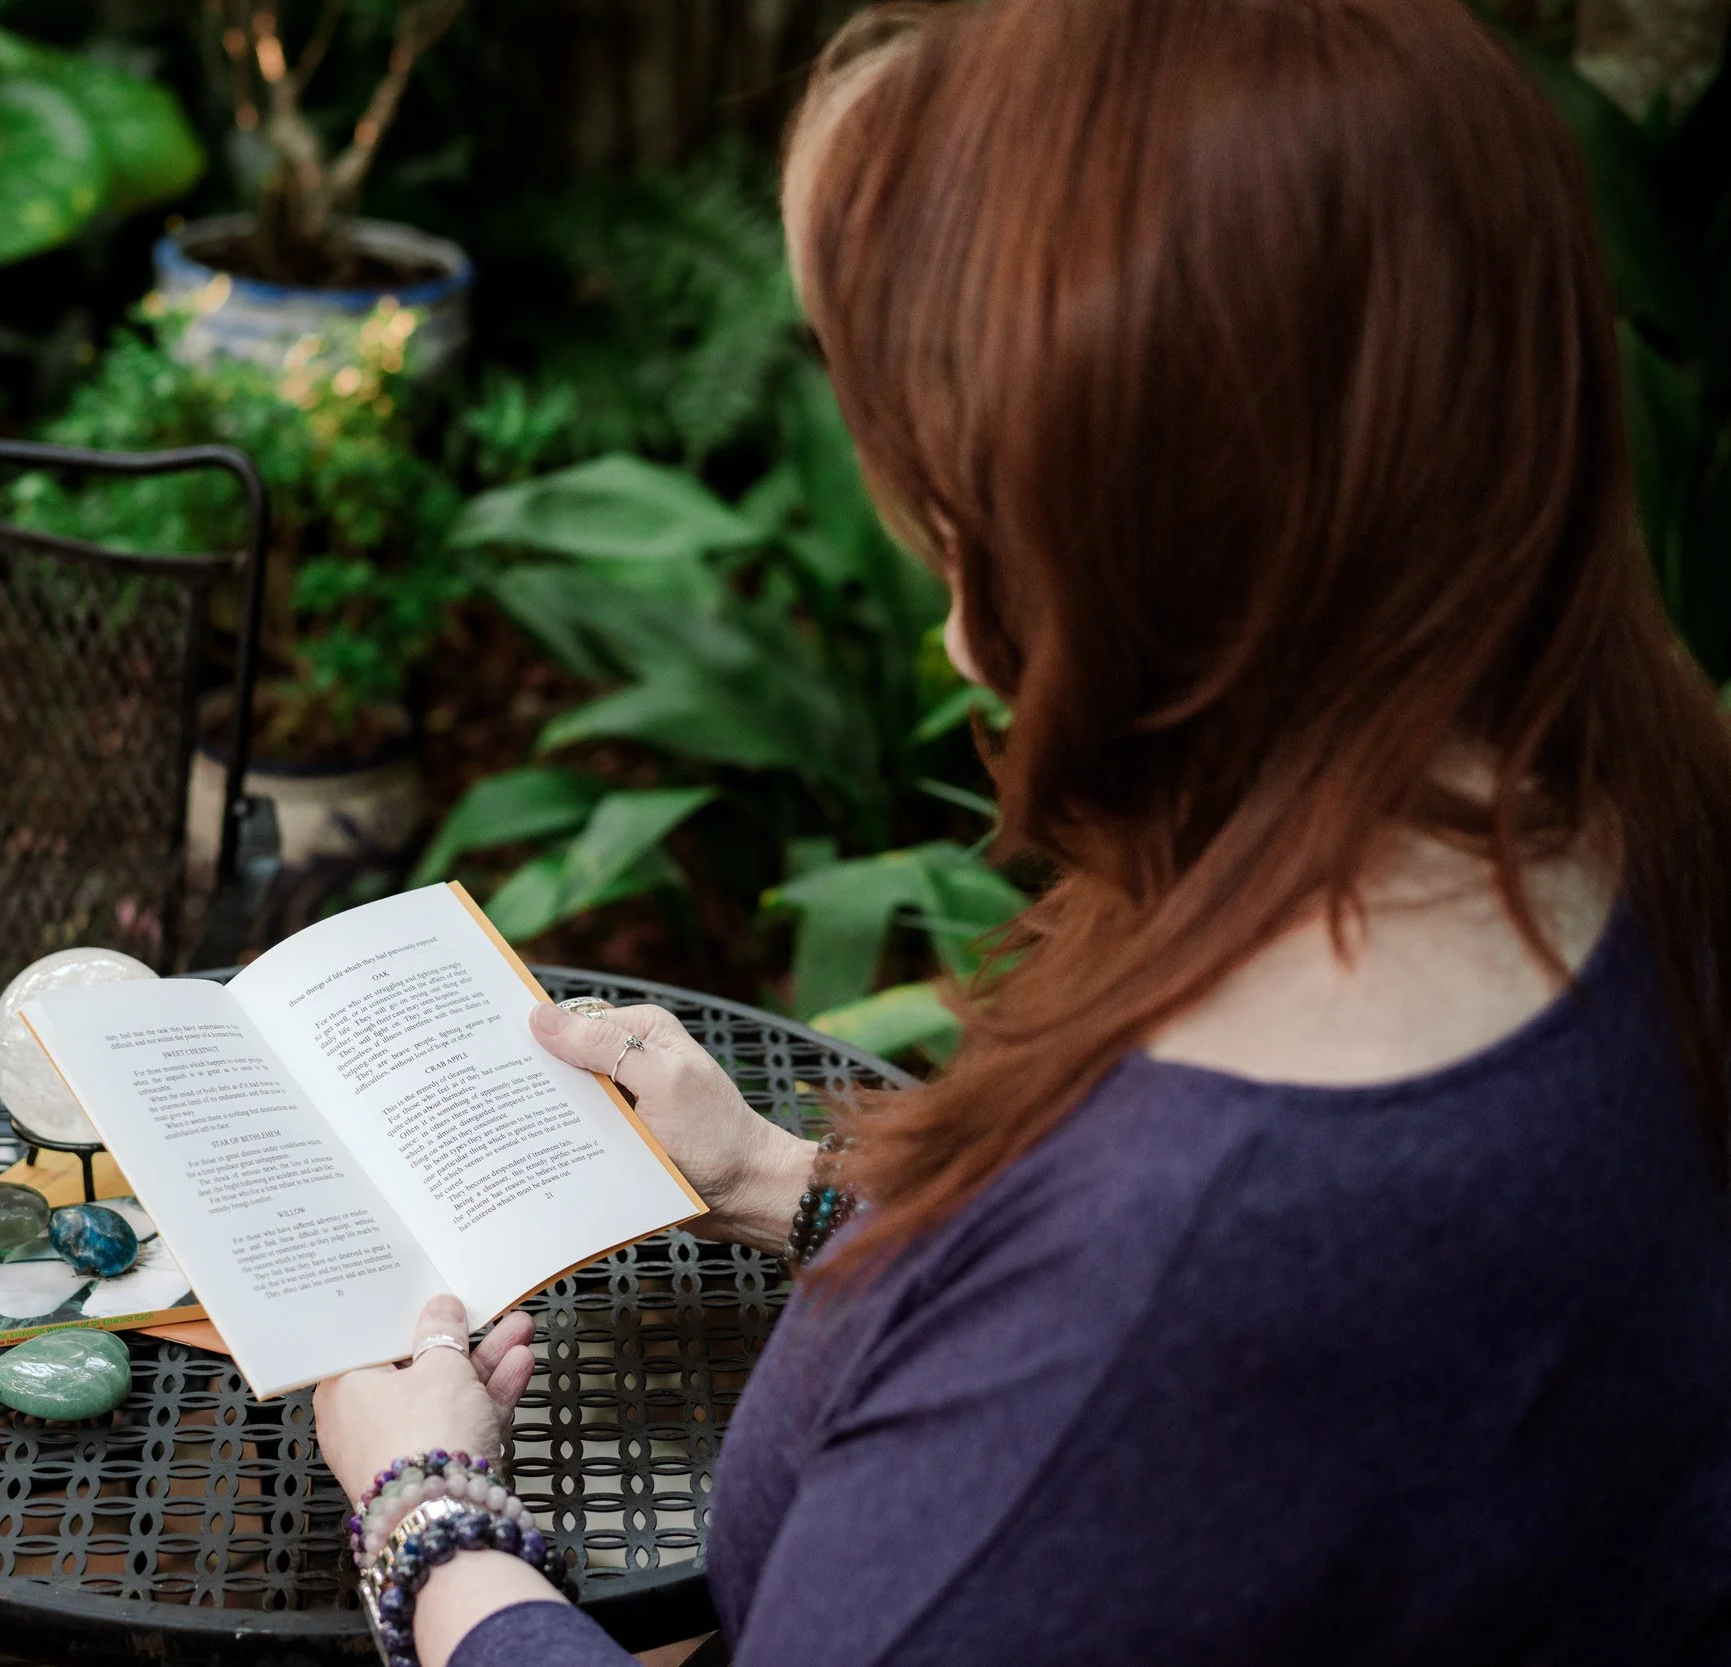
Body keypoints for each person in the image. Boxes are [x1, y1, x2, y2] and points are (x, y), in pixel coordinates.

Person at [312, 0, 1731, 1661]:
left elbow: (1096, 1384)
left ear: (1088, 543)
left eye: (948, 508)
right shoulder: (1612, 847)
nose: (960, 628)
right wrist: (786, 1180)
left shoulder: (1161, 1297)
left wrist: (433, 1523)